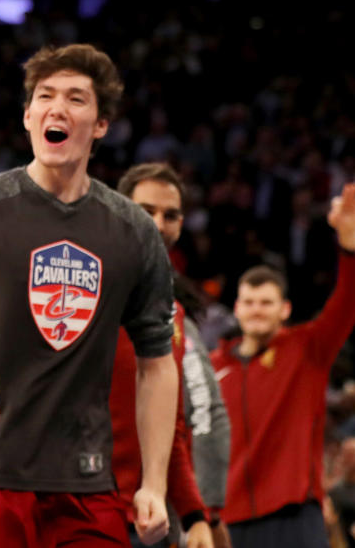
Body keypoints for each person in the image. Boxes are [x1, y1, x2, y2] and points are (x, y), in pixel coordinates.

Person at [0, 43, 177, 547]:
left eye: (76, 99)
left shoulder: (134, 230)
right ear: (29, 115)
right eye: (45, 96)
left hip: (86, 482)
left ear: (100, 124)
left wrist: (155, 484)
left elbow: (158, 363)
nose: (58, 108)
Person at [210, 183, 355, 548]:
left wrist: (348, 239)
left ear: (285, 310)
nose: (256, 310)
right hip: (228, 521)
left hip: (295, 516)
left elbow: (351, 298)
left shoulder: (306, 348)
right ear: (236, 308)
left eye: (266, 303)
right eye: (248, 302)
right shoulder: (212, 366)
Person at [115, 162, 232, 548]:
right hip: (77, 507)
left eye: (171, 215)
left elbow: (171, 426)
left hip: (150, 520)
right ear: (119, 208)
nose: (159, 225)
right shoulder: (83, 293)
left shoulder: (173, 313)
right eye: (146, 211)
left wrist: (196, 513)